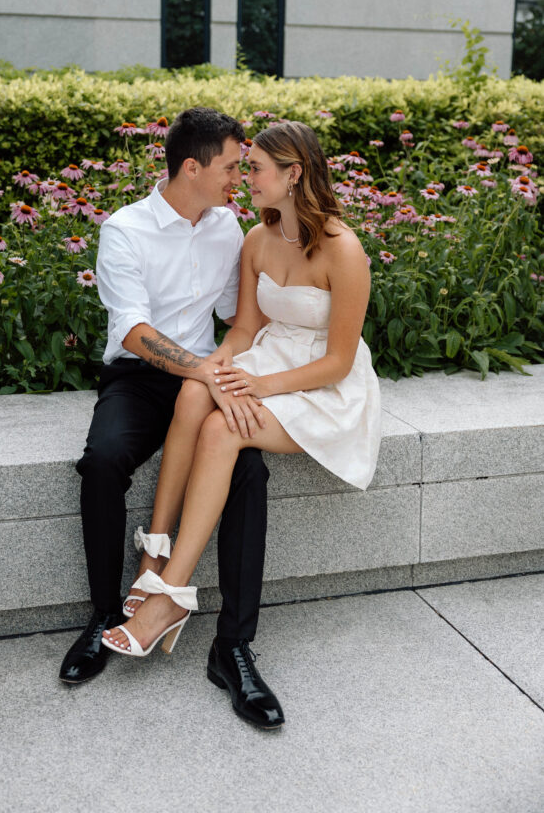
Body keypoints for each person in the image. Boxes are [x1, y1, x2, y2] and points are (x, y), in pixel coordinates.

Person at [102, 121, 382, 726]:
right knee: (194, 400)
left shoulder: (343, 248)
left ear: (293, 174)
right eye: (241, 166)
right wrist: (215, 371)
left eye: (254, 168)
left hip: (323, 389)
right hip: (269, 358)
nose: (244, 177)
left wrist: (256, 385)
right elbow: (245, 331)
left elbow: (337, 360)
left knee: (222, 428)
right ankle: (154, 551)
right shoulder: (257, 237)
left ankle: (169, 597)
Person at [60, 106, 285, 729]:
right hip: (140, 378)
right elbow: (132, 331)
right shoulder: (125, 229)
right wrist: (202, 369)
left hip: (205, 380)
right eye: (232, 166)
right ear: (193, 166)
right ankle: (108, 616)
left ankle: (232, 648)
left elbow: (237, 318)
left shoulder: (226, 226)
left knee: (249, 476)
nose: (239, 177)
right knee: (102, 461)